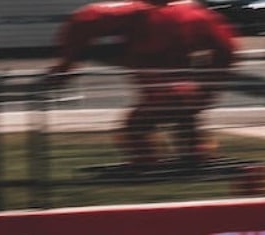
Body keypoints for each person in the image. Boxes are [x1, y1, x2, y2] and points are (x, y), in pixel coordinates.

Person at [49, 1, 237, 166]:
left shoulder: (139, 12)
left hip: (158, 93)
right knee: (186, 122)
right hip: (191, 90)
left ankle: (147, 162)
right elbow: (227, 48)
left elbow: (85, 18)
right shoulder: (198, 13)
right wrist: (209, 84)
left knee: (135, 128)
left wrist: (67, 62)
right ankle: (195, 155)